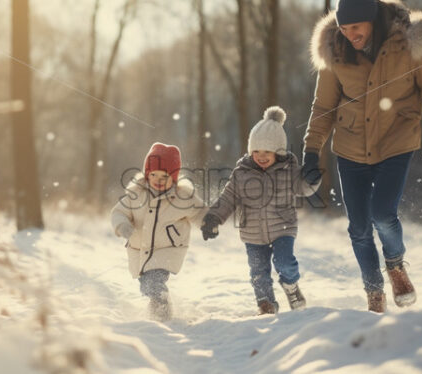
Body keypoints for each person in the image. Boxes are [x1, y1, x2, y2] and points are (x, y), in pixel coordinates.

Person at [302, 0, 422, 313]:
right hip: (350, 148)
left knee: (382, 214)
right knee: (359, 227)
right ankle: (373, 290)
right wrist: (311, 152)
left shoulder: (409, 43)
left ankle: (394, 265)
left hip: (397, 142)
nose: (349, 34)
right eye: (344, 27)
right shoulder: (334, 50)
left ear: (373, 19)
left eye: (356, 27)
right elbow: (323, 106)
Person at [201, 106, 320, 315]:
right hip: (252, 233)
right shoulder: (242, 173)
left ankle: (291, 287)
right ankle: (266, 303)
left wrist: (312, 178)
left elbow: (304, 189)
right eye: (256, 151)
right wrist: (213, 218)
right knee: (258, 272)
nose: (261, 156)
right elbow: (228, 197)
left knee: (285, 262)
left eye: (267, 152)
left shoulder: (288, 170)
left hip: (283, 227)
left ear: (279, 152)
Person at [110, 142, 204, 321]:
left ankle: (162, 313)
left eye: (165, 176)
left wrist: (209, 224)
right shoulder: (135, 194)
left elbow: (200, 211)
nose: (158, 179)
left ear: (174, 177)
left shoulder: (182, 197)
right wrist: (122, 225)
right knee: (146, 284)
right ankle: (157, 308)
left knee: (154, 282)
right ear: (147, 173)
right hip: (139, 251)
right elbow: (118, 212)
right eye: (154, 174)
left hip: (167, 249)